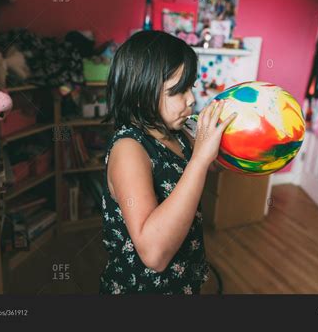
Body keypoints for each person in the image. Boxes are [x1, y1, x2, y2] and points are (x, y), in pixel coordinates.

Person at [99, 30, 237, 294]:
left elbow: (214, 165)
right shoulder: (129, 149)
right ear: (141, 94)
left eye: (191, 87)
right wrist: (200, 159)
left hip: (184, 281)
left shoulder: (178, 131)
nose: (191, 99)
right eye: (178, 91)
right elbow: (154, 255)